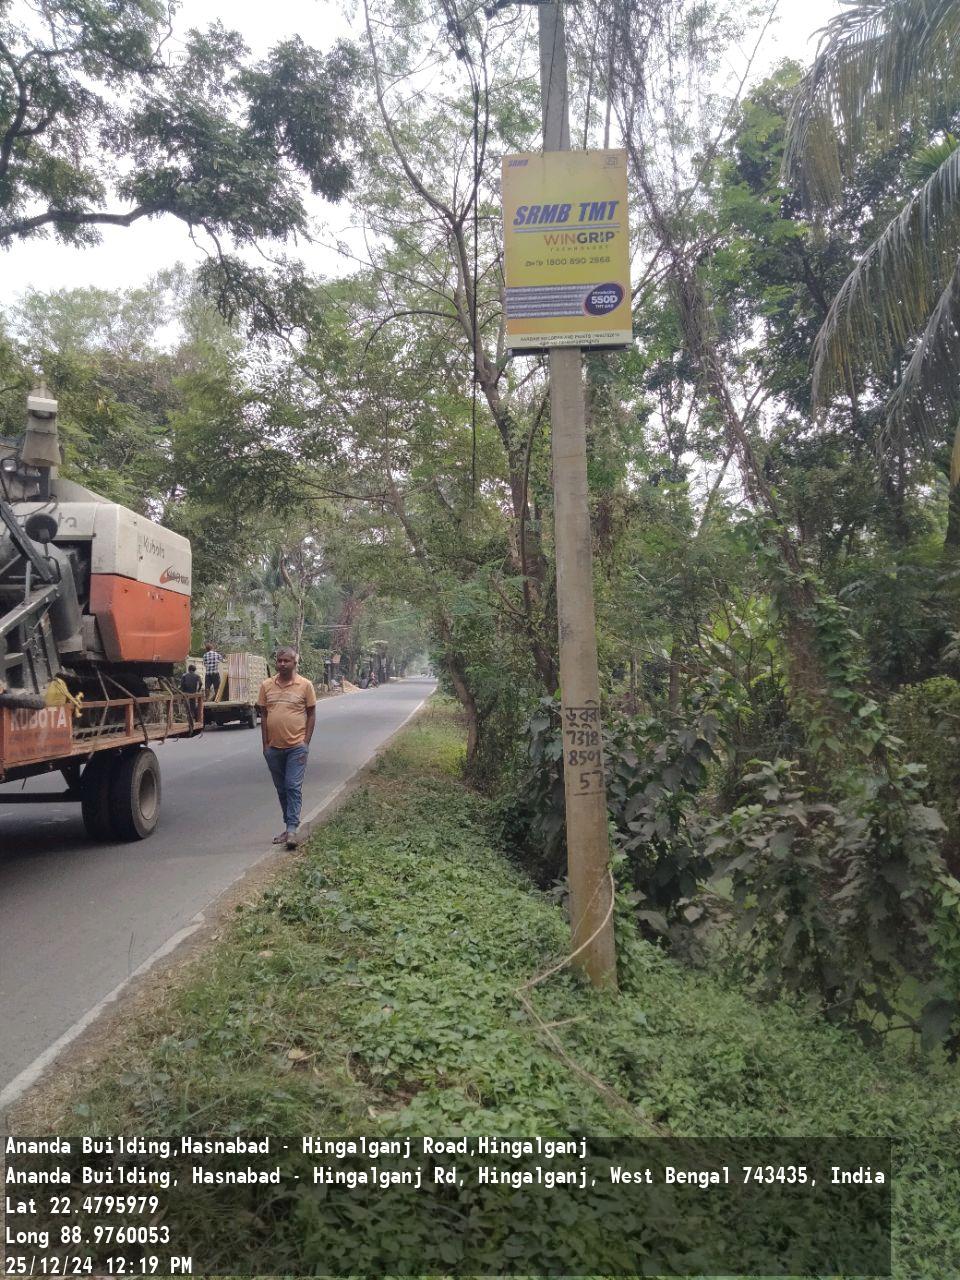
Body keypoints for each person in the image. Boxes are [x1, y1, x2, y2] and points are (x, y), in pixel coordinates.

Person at [256, 646, 316, 849]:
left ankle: (292, 830)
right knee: (282, 789)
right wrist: (265, 745)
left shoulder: (305, 685)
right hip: (273, 749)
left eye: (286, 661)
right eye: (279, 660)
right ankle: (288, 826)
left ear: (294, 663)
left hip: (296, 747)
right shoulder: (266, 685)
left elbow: (311, 714)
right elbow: (264, 715)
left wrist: (305, 742)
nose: (282, 664)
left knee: (292, 786)